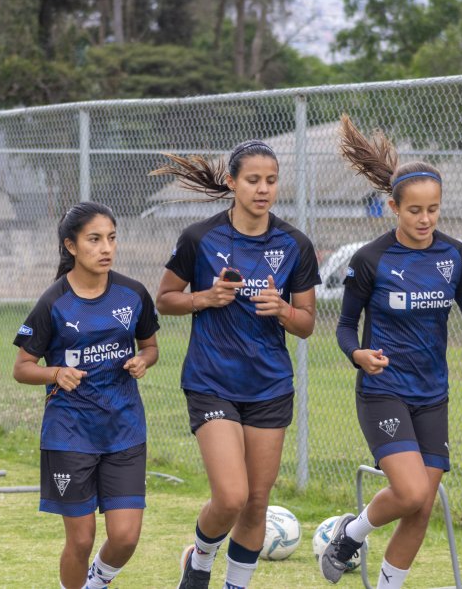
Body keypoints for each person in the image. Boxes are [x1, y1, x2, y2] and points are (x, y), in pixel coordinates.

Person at [322, 116, 462, 588]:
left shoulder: (455, 256)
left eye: (433, 210)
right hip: (383, 390)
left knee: (422, 503)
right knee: (408, 490)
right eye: (415, 211)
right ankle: (351, 534)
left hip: (433, 393)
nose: (425, 220)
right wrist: (357, 355)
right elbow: (344, 327)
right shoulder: (370, 260)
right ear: (392, 207)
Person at [151, 140, 320, 589]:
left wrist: (282, 310)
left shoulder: (294, 245)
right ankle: (201, 560)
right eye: (252, 180)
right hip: (212, 382)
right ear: (231, 183)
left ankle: (236, 584)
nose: (263, 189)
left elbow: (306, 325)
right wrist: (204, 298)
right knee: (231, 496)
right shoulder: (200, 238)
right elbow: (164, 301)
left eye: (271, 180)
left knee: (257, 503)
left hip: (269, 386)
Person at [12, 203, 160, 589]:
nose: (106, 248)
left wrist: (143, 360)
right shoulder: (53, 303)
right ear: (71, 246)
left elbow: (151, 347)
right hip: (70, 433)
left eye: (111, 238)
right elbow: (22, 367)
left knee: (125, 537)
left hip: (124, 429)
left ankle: (97, 581)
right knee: (81, 539)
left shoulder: (133, 294)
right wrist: (56, 373)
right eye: (94, 239)